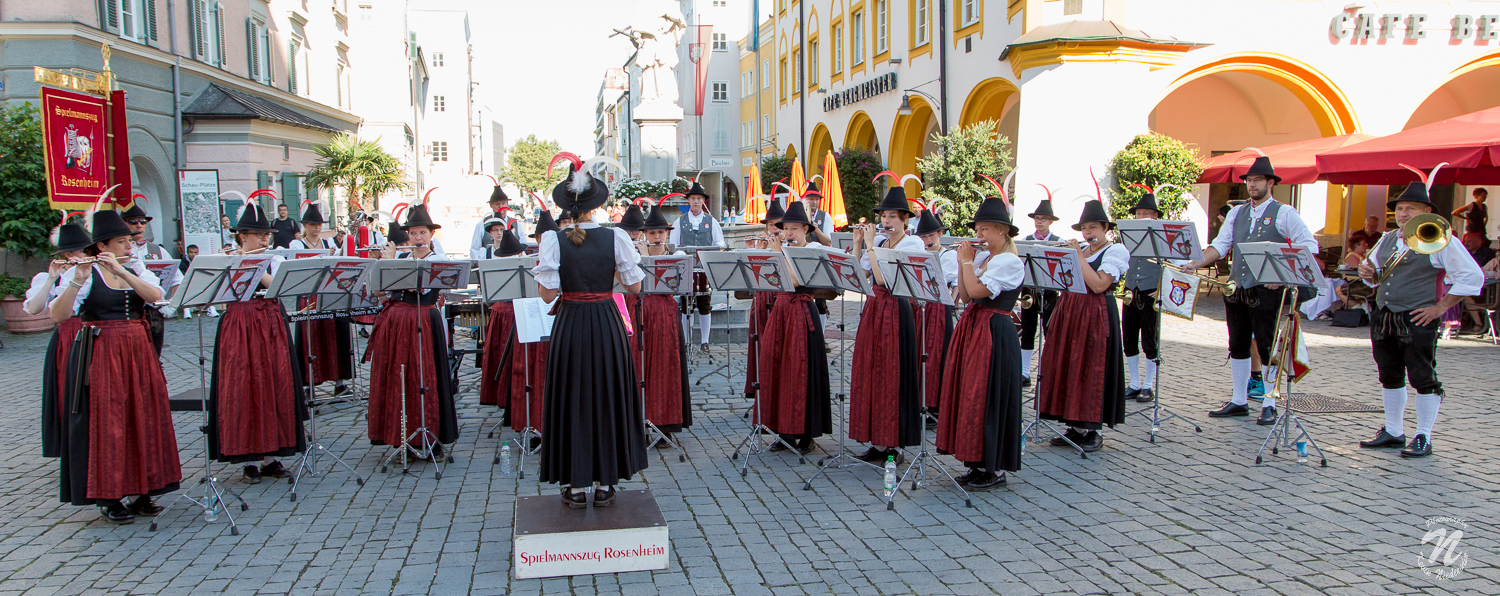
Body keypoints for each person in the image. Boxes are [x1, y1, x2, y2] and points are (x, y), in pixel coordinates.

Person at [49, 208, 179, 524]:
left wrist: (124, 271)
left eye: (128, 240)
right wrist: (74, 281)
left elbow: (155, 295)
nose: (130, 246)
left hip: (137, 351)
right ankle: (110, 495)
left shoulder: (135, 269)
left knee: (142, 415)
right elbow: (58, 315)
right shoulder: (82, 273)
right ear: (103, 246)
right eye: (122, 242)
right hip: (102, 351)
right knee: (109, 421)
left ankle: (142, 489)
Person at [533, 161, 647, 508]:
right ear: (597, 203)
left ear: (566, 206)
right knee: (608, 395)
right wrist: (608, 274)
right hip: (606, 322)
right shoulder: (616, 236)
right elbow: (635, 286)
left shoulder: (553, 240)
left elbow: (547, 294)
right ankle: (606, 482)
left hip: (570, 325)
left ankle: (576, 484)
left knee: (572, 397)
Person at [1358, 172, 1484, 458]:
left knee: (1422, 376)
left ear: (1427, 212)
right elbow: (1375, 276)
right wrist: (1367, 273)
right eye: (1400, 208)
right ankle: (1393, 431)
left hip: (1417, 317)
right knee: (1389, 374)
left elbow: (1472, 277)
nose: (1403, 213)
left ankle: (1423, 436)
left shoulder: (1441, 239)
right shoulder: (1389, 238)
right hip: (1384, 316)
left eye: (1410, 208)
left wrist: (1440, 307)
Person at [1185, 156, 1319, 426]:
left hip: (1267, 290)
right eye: (1249, 180)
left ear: (1271, 183)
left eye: (1258, 180)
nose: (1252, 184)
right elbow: (1221, 245)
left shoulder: (1285, 213)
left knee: (1267, 346)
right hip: (1237, 287)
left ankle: (1269, 402)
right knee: (1237, 344)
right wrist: (1196, 263)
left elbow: (1309, 246)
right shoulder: (1237, 213)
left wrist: (1281, 275)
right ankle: (1239, 400)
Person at [209, 203, 305, 483]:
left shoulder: (271, 259)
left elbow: (278, 287)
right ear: (242, 236)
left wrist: (253, 264)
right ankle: (247, 459)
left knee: (274, 384)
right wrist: (234, 263)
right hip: (239, 325)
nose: (265, 239)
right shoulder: (225, 259)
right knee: (243, 385)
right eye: (258, 234)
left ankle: (271, 457)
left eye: (267, 235)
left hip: (271, 323)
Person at [937, 195, 1024, 488]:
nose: (979, 236)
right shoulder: (988, 259)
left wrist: (965, 262)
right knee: (972, 395)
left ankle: (994, 467)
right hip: (977, 328)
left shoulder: (1009, 261)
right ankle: (975, 461)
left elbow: (975, 291)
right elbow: (963, 294)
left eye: (985, 230)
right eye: (978, 230)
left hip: (995, 332)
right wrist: (966, 264)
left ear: (1002, 230)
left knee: (990, 396)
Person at [367, 204, 461, 459]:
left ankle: (431, 436)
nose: (417, 238)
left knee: (427, 378)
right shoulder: (400, 259)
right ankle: (402, 438)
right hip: (397, 325)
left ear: (431, 235)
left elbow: (419, 290)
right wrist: (380, 267)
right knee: (401, 378)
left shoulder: (438, 262)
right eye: (412, 234)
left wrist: (391, 265)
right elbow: (379, 294)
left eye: (422, 233)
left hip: (425, 321)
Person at [1038, 199, 1130, 453]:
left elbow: (1099, 284)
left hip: (1095, 312)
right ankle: (1075, 426)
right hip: (1070, 309)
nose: (1088, 233)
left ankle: (1093, 428)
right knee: (1069, 363)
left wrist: (1077, 255)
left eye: (1093, 228)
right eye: (1085, 229)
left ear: (1104, 228)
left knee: (1091, 366)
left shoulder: (1115, 251)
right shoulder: (1084, 251)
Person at [848, 185, 924, 464]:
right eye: (883, 216)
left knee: (891, 374)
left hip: (896, 310)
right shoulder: (879, 244)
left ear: (904, 219)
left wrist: (870, 246)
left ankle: (894, 443)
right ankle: (877, 442)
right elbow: (856, 277)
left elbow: (884, 281)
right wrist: (858, 244)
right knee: (871, 372)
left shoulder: (911, 244)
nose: (886, 222)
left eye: (893, 216)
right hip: (874, 309)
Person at [758, 201, 834, 454]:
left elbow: (794, 280)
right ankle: (783, 431)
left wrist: (778, 254)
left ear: (806, 230)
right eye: (786, 228)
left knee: (801, 371)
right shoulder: (779, 249)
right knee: (778, 368)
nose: (789, 233)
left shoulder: (811, 249)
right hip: (780, 312)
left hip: (802, 312)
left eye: (794, 229)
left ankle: (806, 433)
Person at [30, 220, 91, 462]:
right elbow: (35, 308)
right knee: (69, 392)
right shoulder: (50, 277)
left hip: (93, 333)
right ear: (67, 254)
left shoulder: (94, 273)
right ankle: (74, 448)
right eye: (82, 251)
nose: (87, 255)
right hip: (67, 337)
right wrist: (50, 279)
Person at [634, 206, 693, 440]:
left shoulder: (676, 258)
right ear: (644, 236)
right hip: (642, 314)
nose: (656, 237)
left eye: (660, 233)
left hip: (667, 315)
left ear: (667, 235)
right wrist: (640, 257)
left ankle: (666, 423)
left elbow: (683, 286)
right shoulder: (635, 257)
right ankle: (640, 421)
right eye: (652, 233)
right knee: (642, 367)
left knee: (667, 367)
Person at [289, 203, 353, 397]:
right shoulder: (297, 244)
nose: (316, 227)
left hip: (329, 293)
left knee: (335, 334)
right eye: (312, 224)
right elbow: (296, 266)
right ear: (305, 225)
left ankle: (340, 382)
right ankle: (309, 384)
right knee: (311, 337)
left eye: (319, 224)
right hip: (308, 294)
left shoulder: (329, 244)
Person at [1120, 190, 1167, 404]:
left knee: (1150, 340)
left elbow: (1171, 266)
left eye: (1147, 213)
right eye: (1139, 213)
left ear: (1155, 216)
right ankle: (1135, 383)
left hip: (1151, 291)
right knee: (1129, 338)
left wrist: (1162, 288)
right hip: (1131, 290)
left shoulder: (1162, 238)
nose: (1142, 217)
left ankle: (1148, 385)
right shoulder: (1128, 235)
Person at [668, 182, 726, 352]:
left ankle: (704, 341)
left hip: (703, 268)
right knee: (686, 304)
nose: (695, 201)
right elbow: (673, 244)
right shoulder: (680, 221)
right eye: (693, 198)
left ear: (703, 201)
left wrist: (713, 252)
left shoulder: (711, 221)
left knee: (704, 302)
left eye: (698, 199)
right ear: (689, 201)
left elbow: (720, 241)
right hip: (687, 268)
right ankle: (687, 341)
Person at [478, 222, 525, 412]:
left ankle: (517, 395)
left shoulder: (525, 265)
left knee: (519, 358)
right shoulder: (494, 267)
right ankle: (503, 396)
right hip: (502, 314)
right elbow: (488, 301)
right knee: (500, 357)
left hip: (518, 312)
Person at [914, 209, 955, 419]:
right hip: (919, 307)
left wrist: (953, 301)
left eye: (931, 236)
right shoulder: (916, 254)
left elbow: (952, 282)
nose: (927, 240)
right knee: (918, 351)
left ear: (940, 234)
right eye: (923, 237)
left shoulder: (949, 255)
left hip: (939, 307)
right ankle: (918, 399)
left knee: (937, 354)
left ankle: (935, 404)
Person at [742, 199, 784, 400]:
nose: (774, 228)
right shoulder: (763, 243)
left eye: (778, 224)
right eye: (770, 224)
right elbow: (751, 277)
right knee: (760, 343)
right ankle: (760, 389)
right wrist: (753, 250)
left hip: (781, 299)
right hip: (762, 298)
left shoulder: (789, 243)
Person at [1019, 198, 1061, 387]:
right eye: (1037, 218)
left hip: (1049, 292)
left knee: (1049, 333)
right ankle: (1025, 372)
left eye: (1043, 218)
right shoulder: (1026, 241)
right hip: (1029, 291)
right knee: (1027, 332)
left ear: (1050, 221)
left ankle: (1048, 373)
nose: (1039, 221)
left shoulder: (1058, 241)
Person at [120, 203, 167, 353]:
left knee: (155, 356)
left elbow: (178, 278)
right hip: (131, 311)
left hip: (153, 312)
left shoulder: (158, 249)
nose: (139, 226)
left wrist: (169, 306)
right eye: (133, 222)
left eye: (143, 222)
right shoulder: (121, 249)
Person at [471, 185, 516, 259]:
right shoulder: (482, 224)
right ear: (491, 205)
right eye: (497, 204)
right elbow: (475, 250)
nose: (500, 206)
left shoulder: (516, 224)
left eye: (503, 203)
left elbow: (523, 245)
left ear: (507, 204)